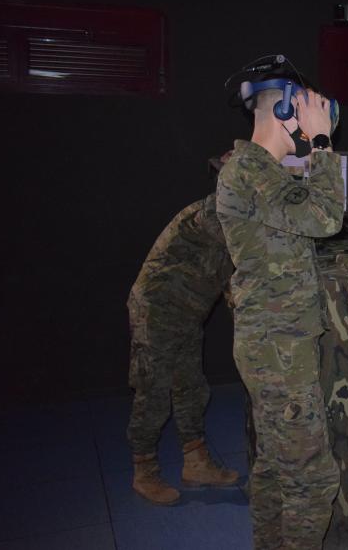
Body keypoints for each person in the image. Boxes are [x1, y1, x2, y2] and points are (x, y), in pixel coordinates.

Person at [216, 57, 344, 549]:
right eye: (308, 109)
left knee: (274, 466)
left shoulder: (259, 173)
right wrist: (322, 143)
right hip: (276, 349)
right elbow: (325, 216)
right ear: (288, 109)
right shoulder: (249, 172)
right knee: (312, 482)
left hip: (276, 344)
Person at [127, 190, 239, 505]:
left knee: (191, 387)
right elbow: (240, 244)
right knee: (153, 391)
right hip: (157, 310)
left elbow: (232, 277)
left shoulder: (240, 218)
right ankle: (144, 469)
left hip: (188, 313)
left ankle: (196, 462)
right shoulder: (210, 213)